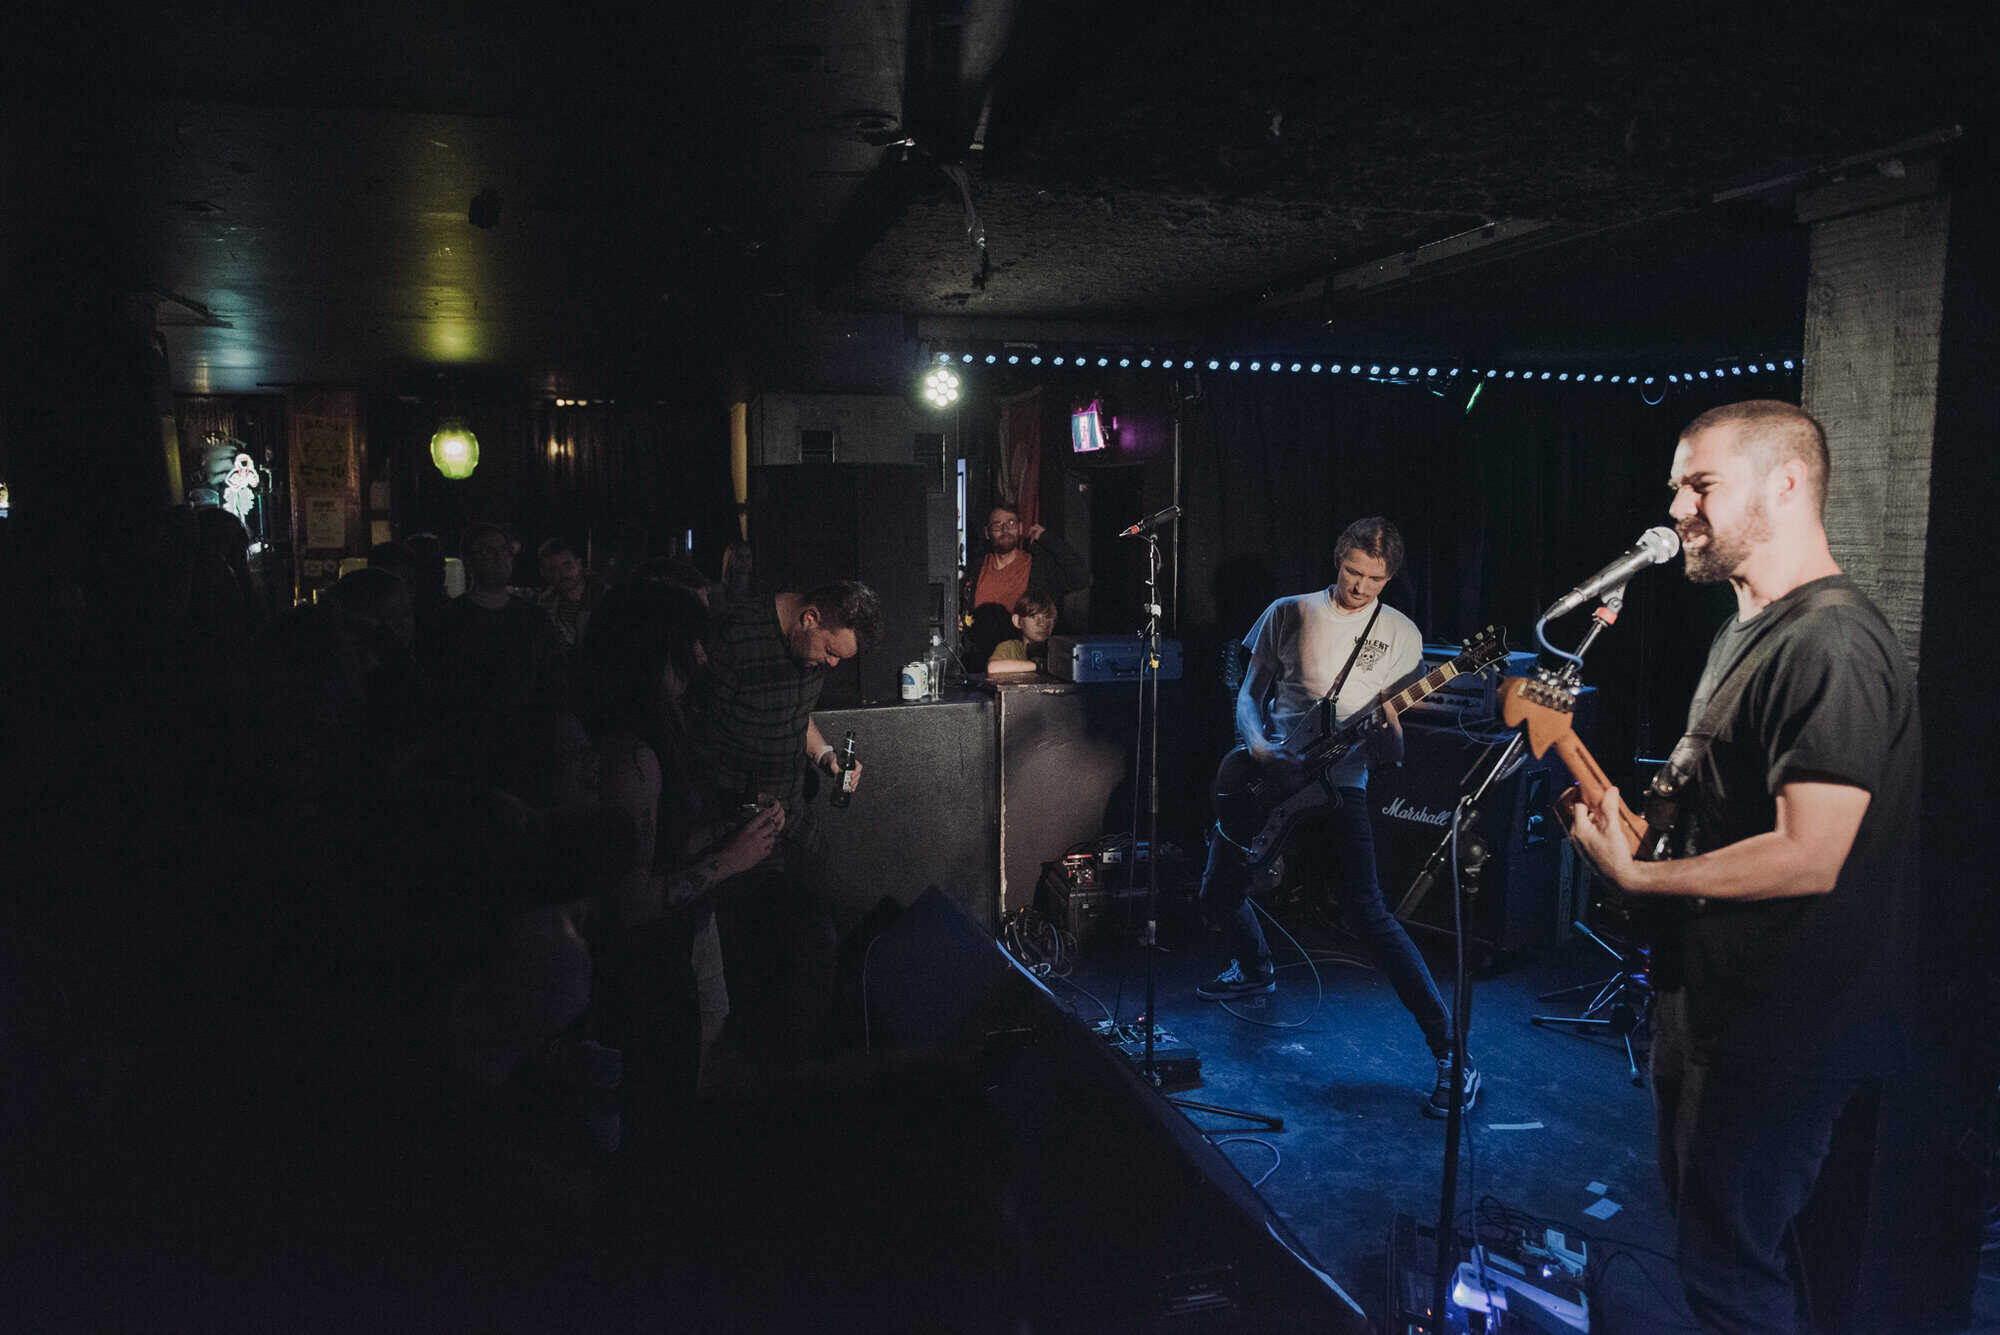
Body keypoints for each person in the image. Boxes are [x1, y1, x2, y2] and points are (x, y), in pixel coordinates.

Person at [1562, 401, 1919, 1334]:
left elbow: (1810, 853)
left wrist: (1639, 878)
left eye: (1701, 485)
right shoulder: (1744, 629)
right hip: (1711, 1007)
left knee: (1730, 1279)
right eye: (1676, 486)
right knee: (1716, 1249)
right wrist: (1634, 835)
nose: (1677, 507)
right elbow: (1725, 817)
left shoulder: (1831, 642)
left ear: (1787, 483)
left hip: (1778, 1030)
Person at [1196, 517, 1477, 1117]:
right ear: (1337, 558)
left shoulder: (1400, 634)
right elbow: (1249, 692)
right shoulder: (1288, 612)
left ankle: (1453, 1054)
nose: (1360, 587)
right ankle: (1256, 967)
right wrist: (1259, 748)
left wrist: (1389, 732)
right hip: (1271, 773)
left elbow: (1391, 751)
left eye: (1375, 579)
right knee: (1216, 892)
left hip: (1341, 783)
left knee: (1371, 916)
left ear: (1390, 577)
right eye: (1353, 572)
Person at [957, 502, 1088, 660]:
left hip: (1026, 659)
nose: (1005, 529)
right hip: (979, 659)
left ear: (1020, 529)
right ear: (987, 532)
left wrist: (1047, 538)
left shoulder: (1039, 567)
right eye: (997, 525)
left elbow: (1081, 577)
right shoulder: (975, 568)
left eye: (1011, 523)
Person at [535, 536, 601, 648]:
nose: (562, 573)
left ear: (579, 564)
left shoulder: (606, 598)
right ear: (544, 573)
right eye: (553, 568)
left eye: (567, 564)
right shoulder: (544, 606)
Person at [984, 590, 1058, 675]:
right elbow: (993, 667)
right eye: (1033, 616)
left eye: (1048, 616)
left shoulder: (1060, 648)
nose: (1042, 623)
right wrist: (1043, 666)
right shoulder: (1011, 648)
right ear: (1017, 621)